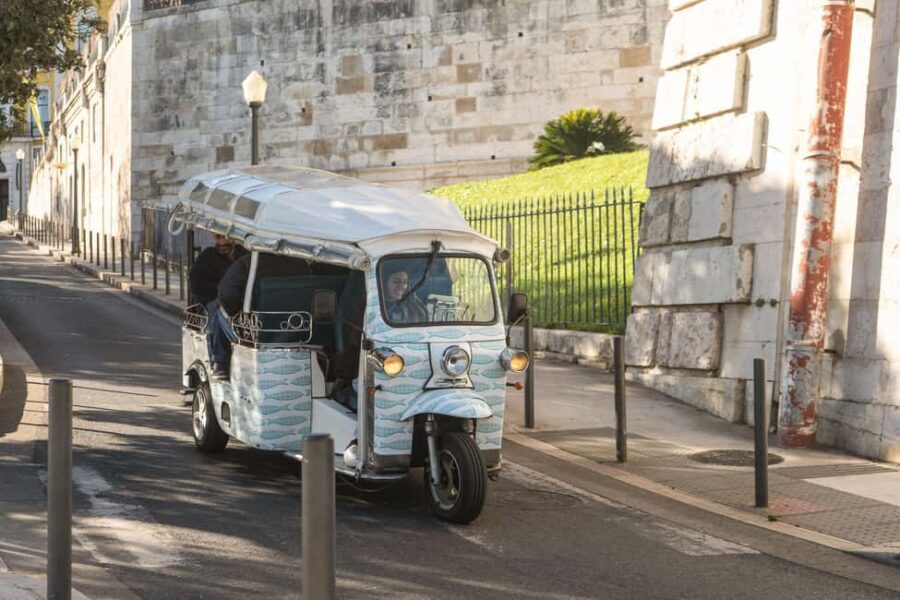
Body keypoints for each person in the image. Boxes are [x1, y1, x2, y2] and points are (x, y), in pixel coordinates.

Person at [209, 252, 312, 380]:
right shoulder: (301, 264)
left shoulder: (247, 263)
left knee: (218, 309)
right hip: (299, 331)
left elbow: (227, 295)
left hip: (257, 333)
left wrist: (235, 314)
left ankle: (220, 364)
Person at [188, 234, 246, 380]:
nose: (221, 243)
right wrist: (221, 293)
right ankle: (219, 361)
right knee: (219, 309)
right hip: (212, 301)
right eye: (217, 239)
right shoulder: (207, 257)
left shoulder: (244, 256)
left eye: (225, 238)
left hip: (240, 300)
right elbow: (196, 286)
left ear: (234, 239)